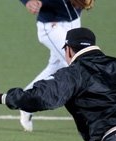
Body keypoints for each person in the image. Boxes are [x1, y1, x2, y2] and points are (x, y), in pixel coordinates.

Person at [19, 0, 82, 132]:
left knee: (56, 67)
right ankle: (97, 112)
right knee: (77, 65)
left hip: (74, 20)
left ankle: (25, 101)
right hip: (52, 25)